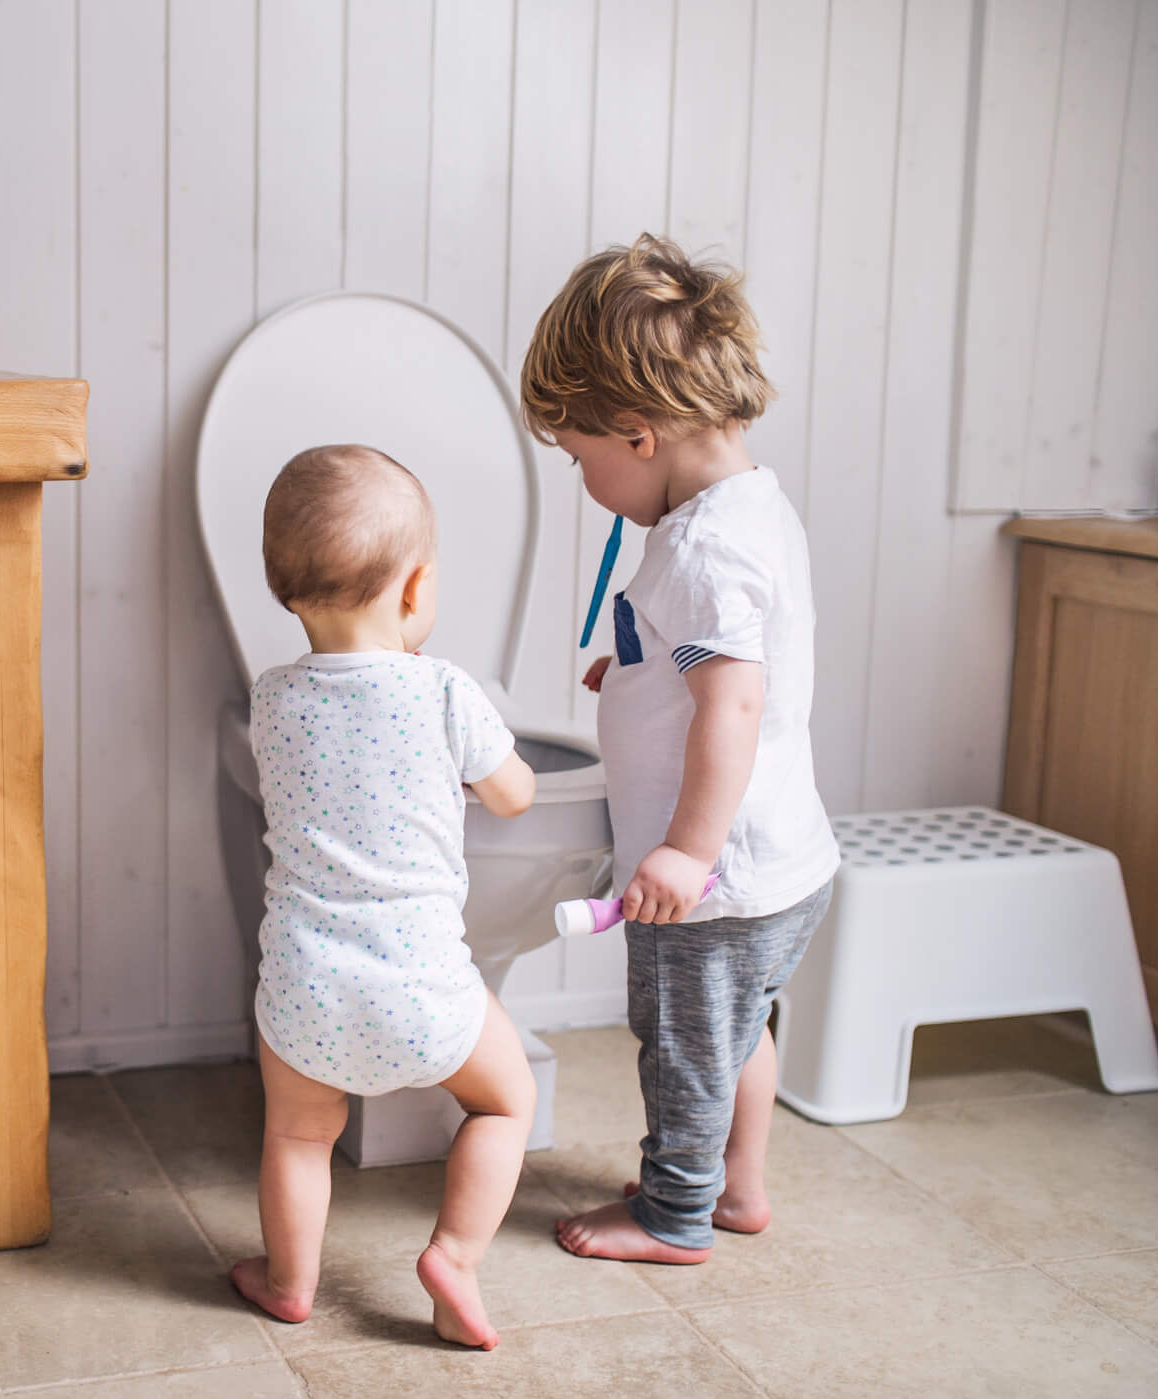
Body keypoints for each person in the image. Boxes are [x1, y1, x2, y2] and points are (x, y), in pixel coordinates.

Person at [522, 235, 840, 1264]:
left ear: (638, 432)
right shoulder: (743, 507)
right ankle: (736, 1185)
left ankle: (674, 1214)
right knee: (735, 1032)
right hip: (780, 859)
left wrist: (684, 852)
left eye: (580, 458)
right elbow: (723, 667)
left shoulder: (701, 549)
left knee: (685, 1049)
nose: (583, 478)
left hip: (714, 875)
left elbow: (731, 708)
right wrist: (635, 668)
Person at [230, 444, 541, 1348]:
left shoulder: (272, 698)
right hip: (422, 986)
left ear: (285, 592)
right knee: (503, 1100)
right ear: (414, 592)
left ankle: (290, 1282)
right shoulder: (445, 690)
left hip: (304, 989)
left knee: (295, 1136)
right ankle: (452, 1254)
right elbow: (516, 792)